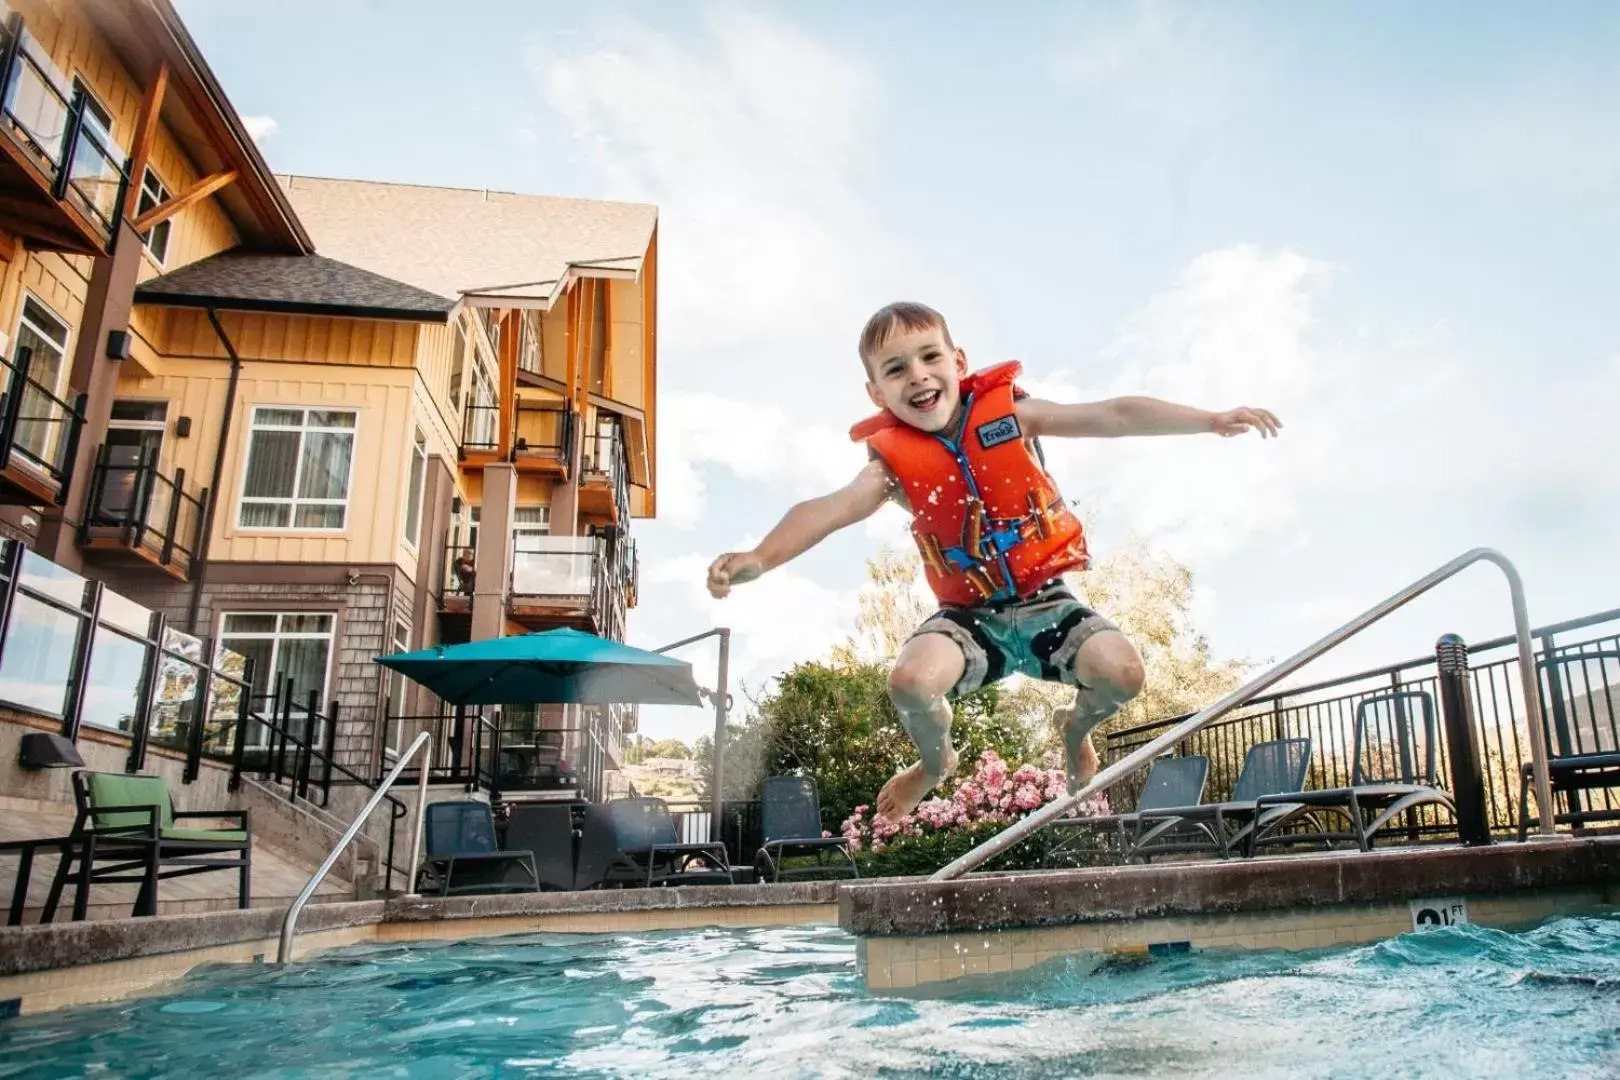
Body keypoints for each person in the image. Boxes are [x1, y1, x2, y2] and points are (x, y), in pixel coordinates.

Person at [706, 302, 1281, 824]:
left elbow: (1113, 415)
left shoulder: (1014, 414)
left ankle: (1075, 727)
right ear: (876, 394)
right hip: (969, 618)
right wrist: (760, 556)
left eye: (930, 357)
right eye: (896, 369)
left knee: (1124, 673)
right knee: (910, 681)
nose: (919, 376)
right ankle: (933, 766)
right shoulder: (890, 467)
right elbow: (829, 510)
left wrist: (1207, 419)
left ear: (957, 361)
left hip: (1045, 603)